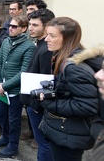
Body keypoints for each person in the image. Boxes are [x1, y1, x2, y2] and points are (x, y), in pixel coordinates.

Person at [38, 17, 99, 161]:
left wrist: (48, 103)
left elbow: (88, 106)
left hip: (69, 135)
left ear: (68, 39)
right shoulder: (65, 58)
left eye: (52, 36)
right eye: (47, 34)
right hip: (66, 132)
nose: (46, 39)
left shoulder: (74, 68)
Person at [0, 15, 35, 158]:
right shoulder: (6, 41)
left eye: (14, 26)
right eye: (10, 25)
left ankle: (13, 146)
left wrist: (5, 85)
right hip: (1, 88)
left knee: (14, 120)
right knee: (1, 114)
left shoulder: (28, 46)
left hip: (14, 90)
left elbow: (23, 72)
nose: (10, 28)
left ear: (23, 29)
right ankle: (5, 137)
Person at [20, 9, 55, 161]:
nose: (30, 28)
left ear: (47, 26)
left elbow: (47, 82)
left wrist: (35, 106)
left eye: (35, 25)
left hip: (38, 107)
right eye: (30, 24)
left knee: (44, 145)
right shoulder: (41, 44)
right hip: (33, 104)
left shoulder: (47, 49)